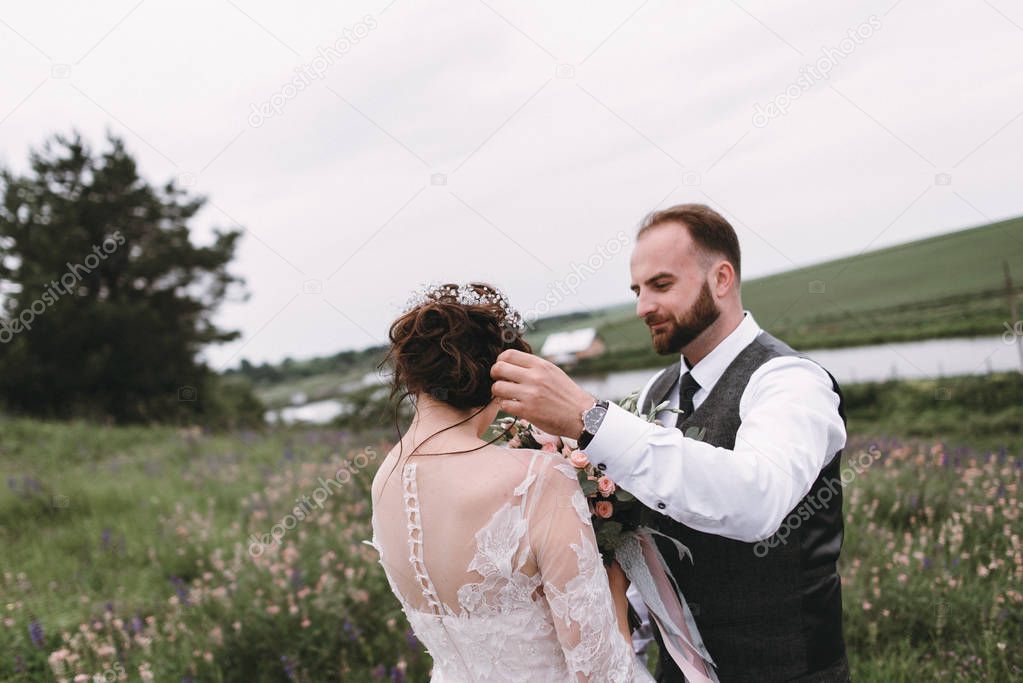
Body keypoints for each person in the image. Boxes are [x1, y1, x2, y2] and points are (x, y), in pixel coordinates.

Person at [490, 204, 851, 682]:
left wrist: (589, 419)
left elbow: (757, 500)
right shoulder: (657, 393)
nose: (642, 307)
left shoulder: (789, 381)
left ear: (722, 278)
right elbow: (641, 529)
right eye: (637, 291)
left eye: (661, 285)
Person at [368, 282, 653, 682]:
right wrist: (616, 591)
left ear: (413, 378)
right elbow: (602, 673)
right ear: (498, 376)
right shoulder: (538, 477)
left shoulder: (383, 480)